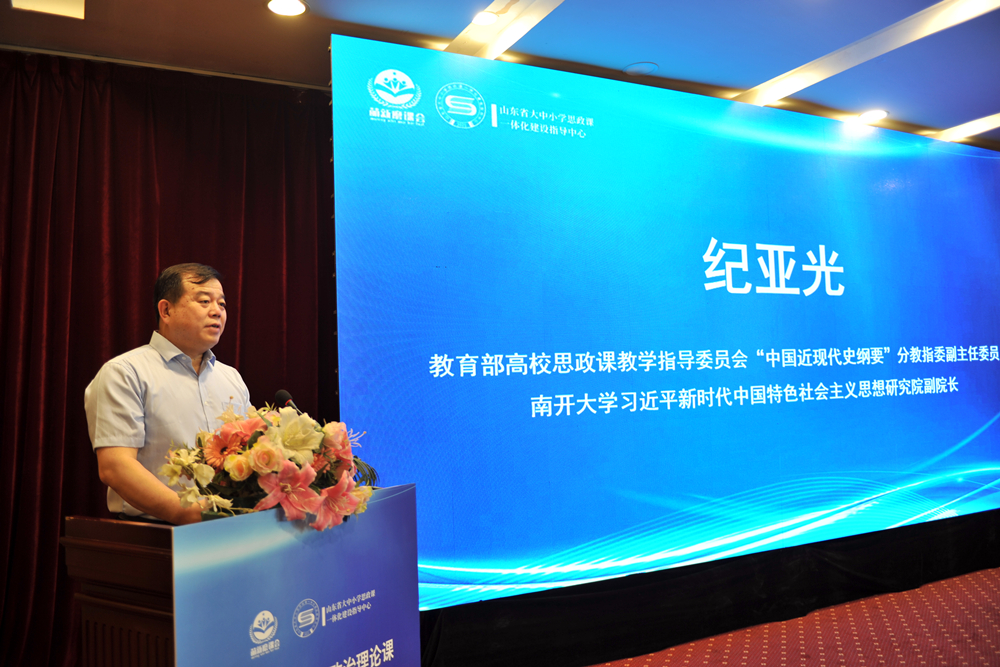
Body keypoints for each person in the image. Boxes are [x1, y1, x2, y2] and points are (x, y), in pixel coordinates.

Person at [85, 263, 251, 524]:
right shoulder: (125, 372)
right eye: (204, 301)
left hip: (230, 529)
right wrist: (186, 513)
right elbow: (115, 467)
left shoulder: (232, 379)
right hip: (154, 532)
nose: (217, 311)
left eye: (222, 304)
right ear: (166, 310)